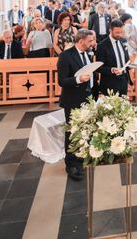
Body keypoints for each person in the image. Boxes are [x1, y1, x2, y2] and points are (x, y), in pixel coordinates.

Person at [57, 29, 98, 181]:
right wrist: (79, 79)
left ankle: (81, 156)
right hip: (72, 99)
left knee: (83, 129)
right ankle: (71, 163)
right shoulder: (66, 56)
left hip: (86, 97)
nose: (92, 43)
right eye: (89, 41)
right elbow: (62, 81)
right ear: (81, 41)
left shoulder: (87, 54)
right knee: (72, 131)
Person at [96, 19, 131, 97]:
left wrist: (134, 62)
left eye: (121, 32)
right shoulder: (102, 46)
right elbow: (99, 68)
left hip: (123, 80)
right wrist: (112, 70)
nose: (119, 34)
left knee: (123, 105)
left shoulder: (123, 41)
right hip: (110, 82)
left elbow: (127, 60)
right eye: (117, 32)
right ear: (110, 30)